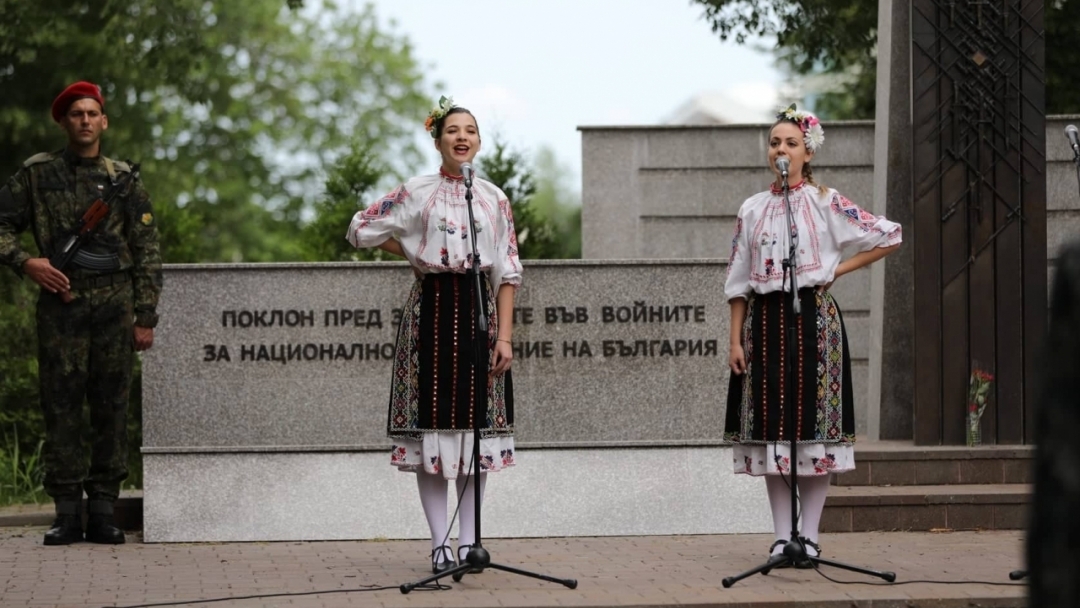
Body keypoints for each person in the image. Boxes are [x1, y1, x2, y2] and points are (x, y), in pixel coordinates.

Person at [347, 96, 521, 574]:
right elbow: (359, 228)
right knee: (433, 433)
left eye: (469, 131)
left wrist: (503, 337)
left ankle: (470, 545)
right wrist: (408, 250)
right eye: (451, 131)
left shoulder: (492, 197)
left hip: (479, 311)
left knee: (474, 434)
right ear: (438, 140)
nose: (461, 137)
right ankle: (438, 545)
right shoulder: (416, 191)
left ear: (479, 141)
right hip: (432, 313)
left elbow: (507, 273)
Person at [723, 104, 901, 566]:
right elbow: (738, 279)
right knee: (773, 433)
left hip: (814, 322)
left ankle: (812, 537)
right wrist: (734, 339)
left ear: (808, 153)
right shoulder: (752, 208)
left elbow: (889, 235)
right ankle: (782, 538)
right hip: (764, 322)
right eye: (774, 142)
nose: (780, 149)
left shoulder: (826, 201)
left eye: (791, 143)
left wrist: (836, 269)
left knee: (814, 431)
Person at [0, 81, 163, 546]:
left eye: (93, 113)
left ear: (104, 121)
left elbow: (147, 249)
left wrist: (145, 315)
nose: (86, 121)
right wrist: (28, 263)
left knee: (111, 408)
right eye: (76, 114)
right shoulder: (36, 174)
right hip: (61, 308)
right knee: (62, 407)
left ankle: (105, 512)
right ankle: (67, 513)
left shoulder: (123, 179)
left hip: (114, 308)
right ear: (63, 122)